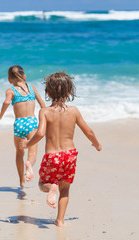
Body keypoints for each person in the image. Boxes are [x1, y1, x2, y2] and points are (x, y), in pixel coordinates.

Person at [20, 71, 101, 227]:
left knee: (42, 184)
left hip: (52, 156)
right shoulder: (74, 111)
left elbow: (41, 133)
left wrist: (28, 144)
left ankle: (52, 187)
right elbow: (88, 131)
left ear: (47, 92)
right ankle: (60, 221)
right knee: (65, 189)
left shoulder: (45, 111)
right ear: (69, 92)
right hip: (70, 155)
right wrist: (97, 144)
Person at [0, 65, 45, 188]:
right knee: (32, 150)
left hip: (19, 124)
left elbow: (6, 102)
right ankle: (29, 165)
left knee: (19, 152)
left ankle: (21, 181)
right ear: (24, 76)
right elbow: (42, 105)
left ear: (9, 80)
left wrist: (0, 116)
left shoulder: (10, 90)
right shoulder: (31, 87)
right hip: (32, 122)